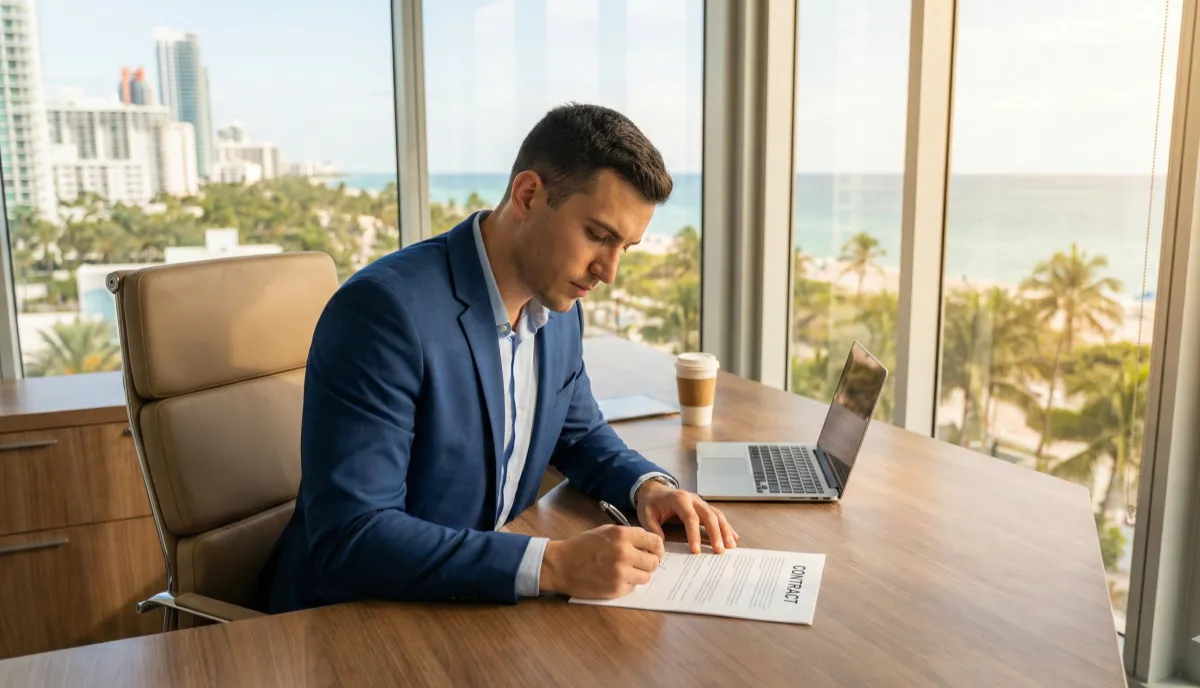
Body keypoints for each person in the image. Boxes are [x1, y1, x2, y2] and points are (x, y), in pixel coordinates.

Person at [264, 103, 739, 613]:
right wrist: (552, 563)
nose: (609, 271)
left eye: (627, 247)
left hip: (468, 606)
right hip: (354, 619)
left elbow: (579, 434)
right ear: (528, 195)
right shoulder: (384, 312)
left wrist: (647, 486)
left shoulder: (559, 307)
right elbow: (352, 538)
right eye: (598, 235)